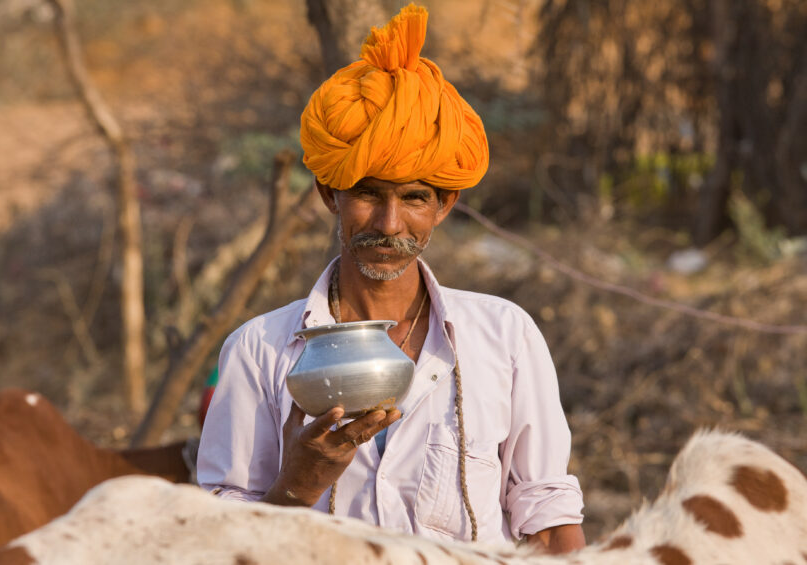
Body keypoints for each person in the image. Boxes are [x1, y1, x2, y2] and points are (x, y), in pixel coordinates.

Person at [197, 4, 585, 553]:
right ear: (330, 194)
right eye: (367, 194)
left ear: (445, 205)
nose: (389, 224)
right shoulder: (259, 351)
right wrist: (295, 486)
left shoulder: (504, 337)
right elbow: (217, 542)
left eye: (415, 199)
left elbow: (547, 513)